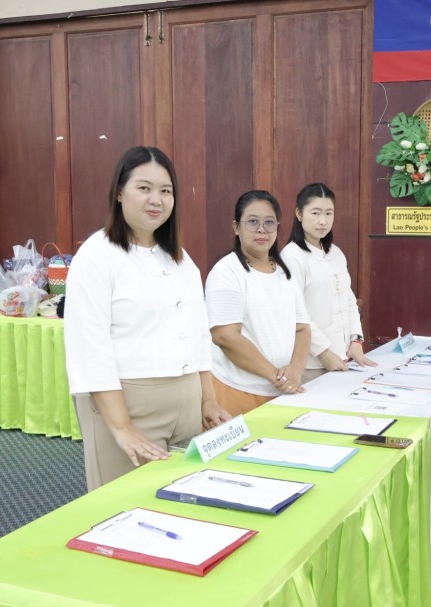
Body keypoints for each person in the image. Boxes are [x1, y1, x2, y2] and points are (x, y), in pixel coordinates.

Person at [64, 146, 231, 491]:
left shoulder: (181, 260)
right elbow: (90, 348)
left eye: (166, 191)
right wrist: (122, 427)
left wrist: (207, 400)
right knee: (125, 506)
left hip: (186, 404)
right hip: (128, 407)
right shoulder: (97, 255)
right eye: (144, 188)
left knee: (184, 499)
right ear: (119, 193)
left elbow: (199, 336)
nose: (156, 199)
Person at [205, 190, 311, 415]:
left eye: (269, 222)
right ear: (236, 227)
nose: (262, 229)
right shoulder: (226, 272)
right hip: (237, 392)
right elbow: (225, 337)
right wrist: (276, 375)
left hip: (282, 393)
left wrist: (295, 368)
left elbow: (302, 328)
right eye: (252, 222)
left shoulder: (285, 272)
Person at [280, 183, 376, 382]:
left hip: (343, 358)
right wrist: (324, 353)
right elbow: (296, 313)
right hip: (311, 364)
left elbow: (349, 301)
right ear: (299, 214)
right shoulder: (292, 256)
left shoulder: (336, 253)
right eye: (315, 213)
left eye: (328, 213)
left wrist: (356, 340)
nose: (322, 221)